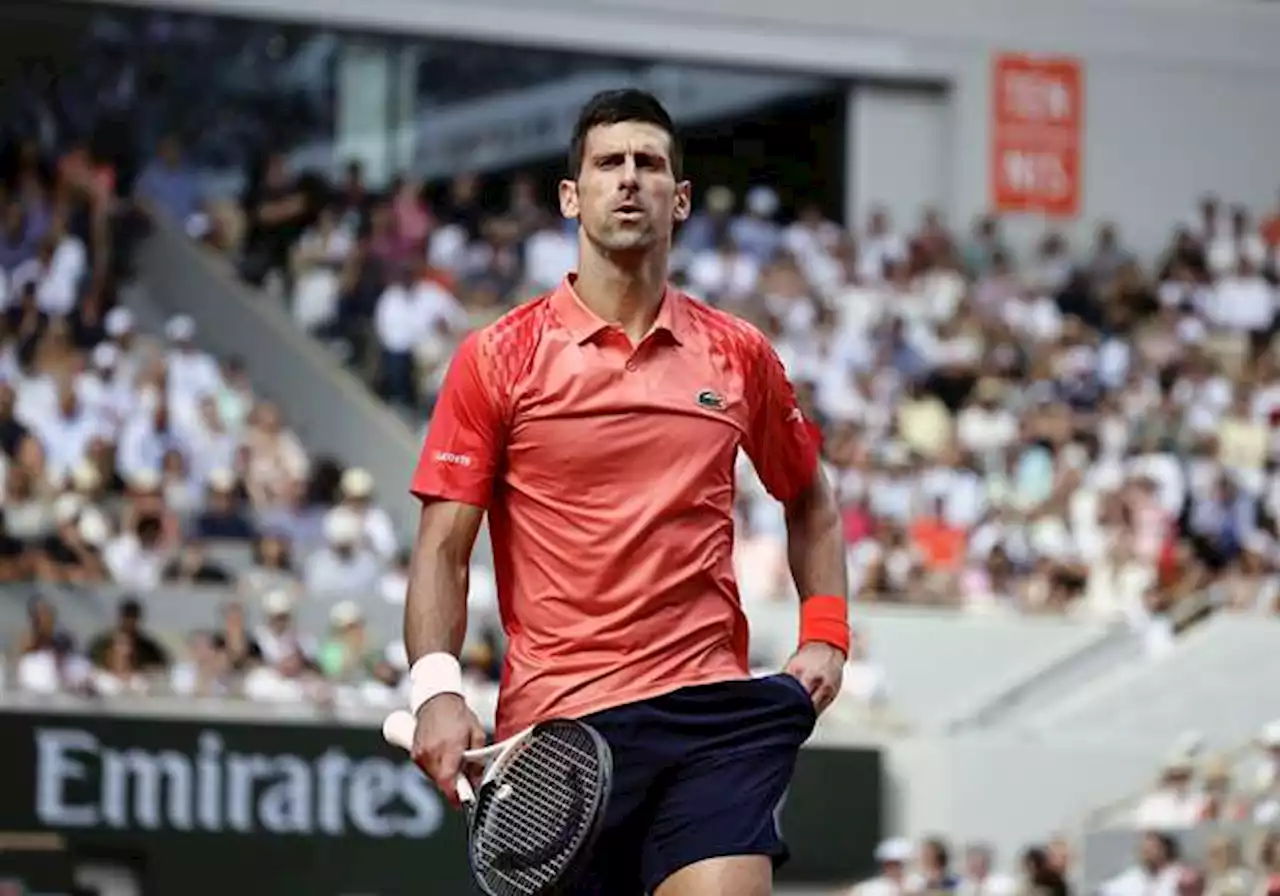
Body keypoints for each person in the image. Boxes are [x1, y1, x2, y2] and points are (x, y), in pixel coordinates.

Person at [400, 89, 849, 896]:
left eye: (649, 164)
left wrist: (825, 631)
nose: (630, 180)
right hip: (561, 733)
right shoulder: (498, 357)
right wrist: (436, 689)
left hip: (710, 715)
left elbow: (809, 495)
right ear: (573, 196)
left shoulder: (738, 354)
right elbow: (442, 549)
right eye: (609, 164)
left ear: (680, 200)